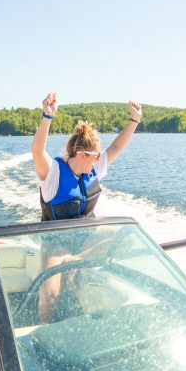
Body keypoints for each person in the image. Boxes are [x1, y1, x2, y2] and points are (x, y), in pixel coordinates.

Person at [31, 92, 142, 321]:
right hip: (56, 243)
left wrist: (135, 121)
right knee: (50, 295)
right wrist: (47, 116)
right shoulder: (52, 173)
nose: (100, 158)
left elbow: (117, 147)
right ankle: (42, 332)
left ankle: (77, 262)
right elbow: (36, 151)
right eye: (96, 155)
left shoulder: (94, 167)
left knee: (128, 236)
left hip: (85, 239)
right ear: (82, 154)